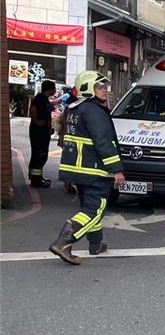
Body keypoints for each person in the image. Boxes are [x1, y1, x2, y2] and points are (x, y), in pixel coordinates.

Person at [48, 71, 125, 264]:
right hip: (94, 170)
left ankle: (96, 244)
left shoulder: (75, 109)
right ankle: (64, 241)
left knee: (88, 207)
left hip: (78, 170)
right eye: (100, 87)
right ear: (88, 89)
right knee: (95, 209)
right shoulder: (94, 111)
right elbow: (104, 142)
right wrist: (117, 169)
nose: (105, 91)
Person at [28, 79, 56, 187]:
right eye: (54, 89)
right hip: (38, 132)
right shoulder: (40, 99)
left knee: (39, 155)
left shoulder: (44, 99)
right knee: (39, 155)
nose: (54, 91)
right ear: (50, 89)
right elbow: (34, 109)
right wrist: (36, 121)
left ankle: (37, 177)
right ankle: (36, 180)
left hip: (43, 131)